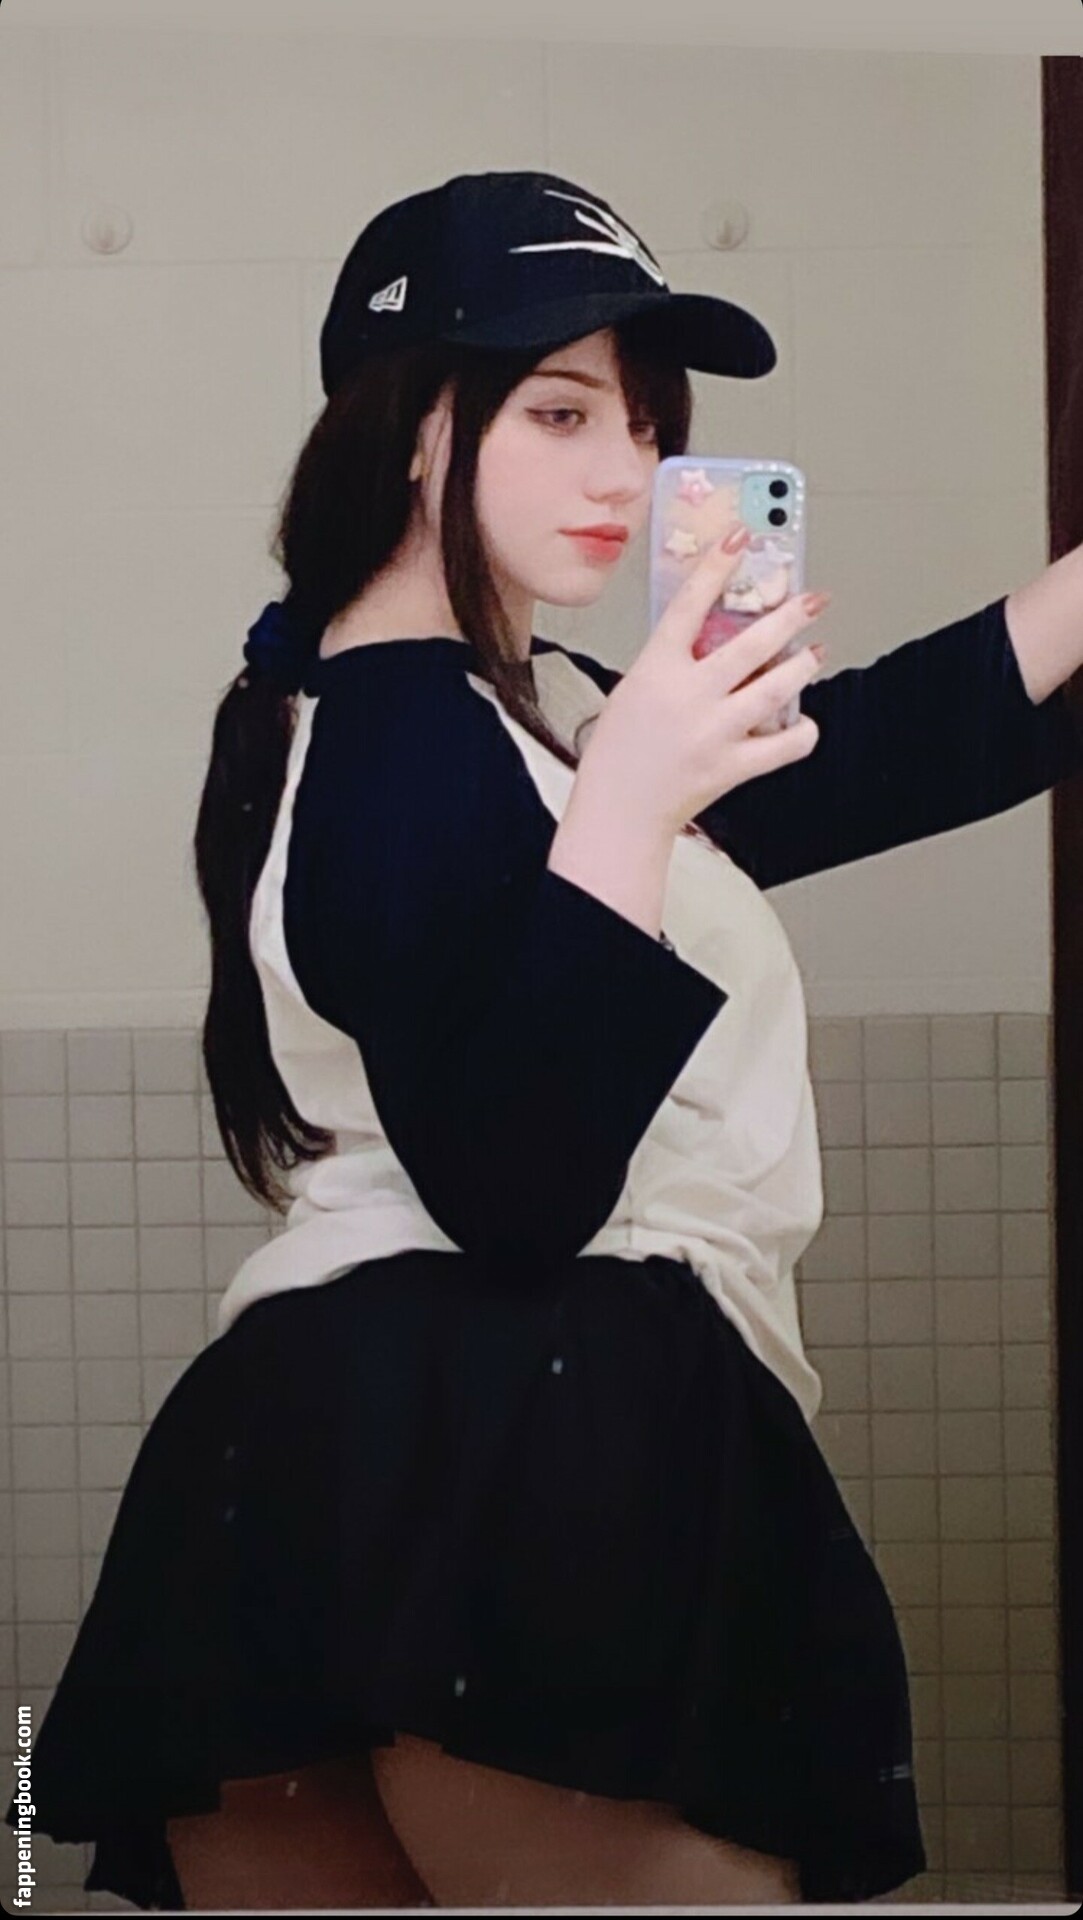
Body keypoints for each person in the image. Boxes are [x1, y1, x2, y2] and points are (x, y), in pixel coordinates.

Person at [7, 169, 1083, 1914]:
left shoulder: (526, 711)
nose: (626, 473)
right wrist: (638, 796)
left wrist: (649, 773)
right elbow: (514, 1186)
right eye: (561, 411)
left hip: (331, 1459)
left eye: (648, 425)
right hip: (531, 1436)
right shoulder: (403, 723)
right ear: (417, 427)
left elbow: (885, 749)